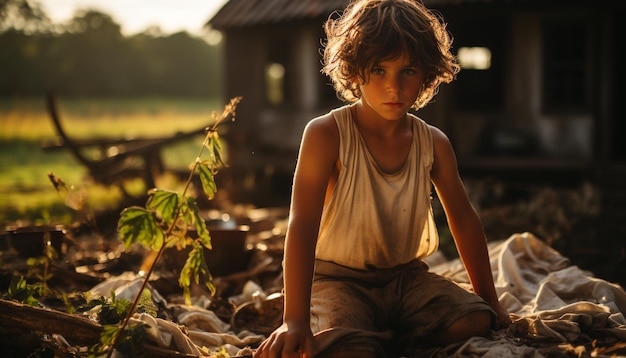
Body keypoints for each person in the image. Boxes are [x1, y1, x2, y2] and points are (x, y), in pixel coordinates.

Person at [254, 0, 511, 357]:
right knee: (347, 350)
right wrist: (294, 319)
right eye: (378, 70)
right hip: (336, 279)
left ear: (427, 74)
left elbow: (464, 220)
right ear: (354, 71)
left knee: (473, 322)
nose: (394, 87)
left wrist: (490, 302)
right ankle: (375, 333)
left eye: (408, 71)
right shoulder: (327, 134)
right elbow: (302, 224)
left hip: (407, 277)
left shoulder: (432, 142)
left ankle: (390, 332)